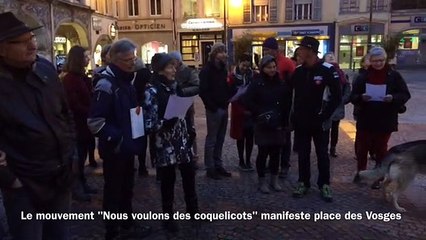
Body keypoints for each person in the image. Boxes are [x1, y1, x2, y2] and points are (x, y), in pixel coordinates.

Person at [0, 12, 75, 240]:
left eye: (31, 37)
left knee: (60, 235)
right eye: (21, 41)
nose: (32, 44)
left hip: (60, 175)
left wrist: (72, 154)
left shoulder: (45, 69)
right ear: (1, 48)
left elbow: (65, 112)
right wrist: (10, 179)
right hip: (24, 183)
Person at [87, 39, 151, 240]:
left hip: (127, 146)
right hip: (115, 148)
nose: (133, 63)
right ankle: (112, 230)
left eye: (134, 58)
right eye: (128, 60)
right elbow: (95, 121)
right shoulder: (106, 84)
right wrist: (118, 138)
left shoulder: (127, 80)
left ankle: (126, 223)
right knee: (113, 190)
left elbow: (130, 111)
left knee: (127, 188)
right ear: (114, 60)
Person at [143, 53, 198, 232]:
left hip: (182, 140)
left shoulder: (175, 87)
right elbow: (148, 123)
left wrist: (190, 128)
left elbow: (185, 110)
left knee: (189, 175)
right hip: (165, 144)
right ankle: (168, 218)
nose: (174, 70)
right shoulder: (151, 91)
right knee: (168, 181)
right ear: (160, 70)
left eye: (175, 66)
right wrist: (164, 123)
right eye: (170, 67)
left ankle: (193, 211)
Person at [291, 36, 342, 202]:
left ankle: (324, 184)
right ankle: (303, 182)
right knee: (303, 154)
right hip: (302, 122)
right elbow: (289, 94)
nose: (299, 51)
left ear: (311, 51)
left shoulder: (327, 70)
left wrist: (325, 116)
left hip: (320, 122)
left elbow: (337, 96)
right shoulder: (298, 71)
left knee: (322, 154)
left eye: (302, 48)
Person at [351, 47, 410, 189]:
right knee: (362, 148)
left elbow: (405, 94)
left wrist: (393, 98)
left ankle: (379, 175)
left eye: (381, 60)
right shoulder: (363, 76)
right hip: (366, 117)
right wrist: (361, 98)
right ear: (370, 61)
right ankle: (361, 173)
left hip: (385, 118)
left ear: (385, 60)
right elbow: (353, 96)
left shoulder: (394, 76)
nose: (378, 63)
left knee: (381, 149)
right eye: (375, 61)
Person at [244, 55, 292, 193]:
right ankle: (262, 181)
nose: (272, 70)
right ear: (262, 68)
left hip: (277, 123)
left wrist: (284, 121)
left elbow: (286, 103)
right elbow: (247, 100)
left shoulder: (281, 83)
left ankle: (274, 180)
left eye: (274, 67)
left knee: (276, 153)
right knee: (263, 153)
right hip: (262, 123)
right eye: (269, 67)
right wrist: (259, 112)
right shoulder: (256, 83)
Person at [61, 45, 98, 202]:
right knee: (77, 158)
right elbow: (73, 104)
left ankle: (82, 184)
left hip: (85, 125)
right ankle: (77, 188)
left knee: (82, 157)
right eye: (85, 56)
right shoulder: (70, 79)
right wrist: (90, 111)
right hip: (78, 125)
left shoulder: (82, 77)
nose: (88, 59)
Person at [199, 42, 234, 180]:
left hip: (223, 108)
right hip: (214, 110)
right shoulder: (207, 70)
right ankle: (210, 167)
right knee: (212, 139)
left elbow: (225, 87)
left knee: (220, 139)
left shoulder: (223, 69)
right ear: (214, 54)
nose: (224, 54)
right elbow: (203, 91)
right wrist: (212, 106)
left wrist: (232, 92)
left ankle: (218, 165)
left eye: (225, 52)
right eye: (221, 52)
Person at [262, 37, 296, 179]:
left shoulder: (287, 63)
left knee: (285, 137)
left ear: (275, 50)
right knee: (272, 137)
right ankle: (273, 164)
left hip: (285, 106)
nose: (265, 52)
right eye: (264, 50)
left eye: (268, 50)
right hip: (270, 106)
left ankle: (284, 165)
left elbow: (294, 84)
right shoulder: (266, 62)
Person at [169, 51, 200, 166]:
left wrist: (182, 92)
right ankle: (178, 155)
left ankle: (193, 156)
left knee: (189, 130)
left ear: (178, 61)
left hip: (186, 104)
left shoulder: (188, 71)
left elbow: (197, 86)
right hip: (173, 105)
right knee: (175, 131)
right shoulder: (170, 70)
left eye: (173, 62)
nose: (172, 65)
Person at [228, 53, 255, 171]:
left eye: (247, 66)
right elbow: (230, 94)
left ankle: (248, 160)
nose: (245, 68)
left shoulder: (253, 76)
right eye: (243, 65)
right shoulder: (233, 77)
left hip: (250, 110)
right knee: (240, 136)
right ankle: (241, 160)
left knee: (250, 137)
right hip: (238, 111)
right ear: (239, 63)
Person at [323, 52, 351, 157]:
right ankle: (324, 148)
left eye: (332, 56)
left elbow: (347, 89)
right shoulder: (322, 72)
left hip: (337, 106)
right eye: (328, 56)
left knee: (335, 128)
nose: (331, 57)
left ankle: (333, 148)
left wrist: (342, 99)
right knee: (325, 128)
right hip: (325, 105)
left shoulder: (342, 74)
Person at [133, 58, 153, 177]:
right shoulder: (147, 74)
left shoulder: (136, 75)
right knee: (149, 138)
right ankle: (147, 165)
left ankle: (141, 164)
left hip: (138, 110)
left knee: (141, 139)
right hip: (146, 109)